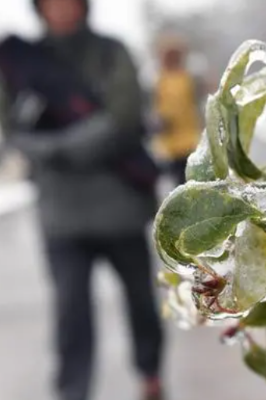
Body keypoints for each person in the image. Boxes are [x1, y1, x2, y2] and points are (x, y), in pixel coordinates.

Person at [0, 1, 164, 399]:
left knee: (142, 301)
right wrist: (57, 149)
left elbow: (124, 116)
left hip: (120, 203)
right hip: (61, 212)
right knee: (71, 312)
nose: (61, 9)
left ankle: (150, 374)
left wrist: (63, 148)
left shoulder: (111, 51)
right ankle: (72, 390)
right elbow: (12, 128)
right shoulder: (20, 60)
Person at [153, 33, 201, 185]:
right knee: (180, 181)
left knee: (191, 180)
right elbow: (157, 106)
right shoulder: (160, 79)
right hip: (171, 141)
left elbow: (196, 102)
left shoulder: (188, 77)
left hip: (189, 138)